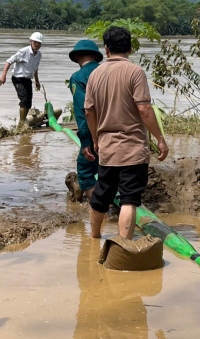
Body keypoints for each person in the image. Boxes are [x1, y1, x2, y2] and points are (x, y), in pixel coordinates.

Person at [84, 25, 169, 241]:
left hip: (107, 148)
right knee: (129, 199)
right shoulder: (135, 72)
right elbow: (144, 109)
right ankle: (124, 245)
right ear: (130, 48)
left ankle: (94, 239)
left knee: (101, 196)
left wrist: (95, 138)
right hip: (131, 148)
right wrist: (160, 139)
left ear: (106, 49)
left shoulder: (95, 74)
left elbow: (89, 111)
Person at [65, 39, 105, 202]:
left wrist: (86, 141)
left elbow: (84, 111)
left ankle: (102, 213)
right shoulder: (107, 72)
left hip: (94, 131)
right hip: (117, 130)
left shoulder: (78, 77)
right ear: (96, 56)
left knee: (86, 173)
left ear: (77, 56)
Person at [0, 32, 44, 129]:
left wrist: (37, 81)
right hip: (18, 78)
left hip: (28, 79)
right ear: (30, 42)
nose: (37, 44)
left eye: (39, 43)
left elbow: (35, 69)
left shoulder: (39, 55)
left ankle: (23, 122)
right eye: (35, 42)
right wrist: (3, 75)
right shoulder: (23, 52)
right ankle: (21, 124)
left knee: (29, 102)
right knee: (24, 100)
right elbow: (8, 62)